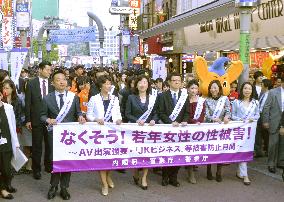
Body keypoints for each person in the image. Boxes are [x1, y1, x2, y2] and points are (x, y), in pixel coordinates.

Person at [40, 70, 85, 200]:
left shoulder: (74, 97)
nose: (62, 81)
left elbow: (78, 113)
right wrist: (48, 120)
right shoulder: (47, 98)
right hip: (54, 134)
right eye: (58, 79)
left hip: (69, 136)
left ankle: (64, 187)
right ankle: (53, 186)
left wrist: (81, 117)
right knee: (55, 160)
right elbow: (41, 115)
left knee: (67, 161)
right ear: (53, 83)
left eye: (64, 79)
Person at [86, 75, 122, 196]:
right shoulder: (94, 98)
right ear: (100, 85)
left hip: (112, 132)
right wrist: (96, 119)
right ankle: (104, 184)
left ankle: (108, 177)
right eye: (106, 83)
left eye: (109, 83)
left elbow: (118, 113)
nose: (108, 86)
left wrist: (118, 120)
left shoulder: (115, 99)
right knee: (102, 158)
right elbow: (88, 115)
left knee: (111, 157)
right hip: (99, 133)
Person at [125, 75, 158, 190]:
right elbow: (127, 113)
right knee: (136, 153)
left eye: (145, 82)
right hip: (135, 131)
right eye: (140, 82)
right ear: (136, 84)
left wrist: (154, 119)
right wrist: (136, 120)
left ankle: (144, 177)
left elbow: (156, 112)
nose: (142, 84)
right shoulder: (131, 97)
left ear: (148, 84)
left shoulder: (153, 98)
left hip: (149, 130)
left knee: (146, 153)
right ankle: (135, 172)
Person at [158, 72, 189, 187]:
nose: (177, 82)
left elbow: (187, 112)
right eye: (174, 80)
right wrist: (170, 122)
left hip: (181, 130)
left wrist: (185, 120)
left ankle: (174, 177)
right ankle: (165, 176)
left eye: (179, 80)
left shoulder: (184, 96)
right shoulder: (162, 95)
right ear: (169, 82)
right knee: (167, 153)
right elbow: (160, 112)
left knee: (179, 154)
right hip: (168, 129)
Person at [25, 61, 54, 179]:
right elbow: (28, 103)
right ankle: (36, 170)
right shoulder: (31, 83)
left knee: (49, 144)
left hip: (50, 120)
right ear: (40, 70)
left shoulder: (53, 84)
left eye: (50, 70)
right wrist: (28, 120)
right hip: (36, 119)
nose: (49, 72)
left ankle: (48, 166)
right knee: (37, 146)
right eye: (47, 69)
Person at [232, 82, 260, 185]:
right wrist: (241, 120)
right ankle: (245, 175)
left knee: (246, 150)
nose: (247, 90)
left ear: (252, 91)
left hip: (251, 131)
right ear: (242, 90)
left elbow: (257, 115)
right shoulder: (236, 102)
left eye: (249, 89)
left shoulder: (255, 103)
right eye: (245, 88)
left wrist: (253, 119)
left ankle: (240, 172)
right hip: (240, 130)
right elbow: (233, 115)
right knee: (242, 150)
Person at [205, 80, 231, 182]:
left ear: (219, 88)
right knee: (210, 149)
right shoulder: (207, 100)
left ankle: (219, 172)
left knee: (220, 149)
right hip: (210, 128)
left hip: (221, 129)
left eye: (215, 87)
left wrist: (227, 116)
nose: (213, 89)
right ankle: (208, 170)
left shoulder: (225, 99)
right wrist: (213, 118)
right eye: (211, 87)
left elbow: (228, 111)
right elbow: (206, 114)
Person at [0, 84, 20, 200]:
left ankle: (7, 184)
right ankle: (3, 189)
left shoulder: (8, 108)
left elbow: (12, 125)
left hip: (7, 142)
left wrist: (16, 143)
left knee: (7, 168)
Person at [262, 77, 284, 174]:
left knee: (283, 144)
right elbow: (266, 107)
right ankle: (271, 163)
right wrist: (265, 121)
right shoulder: (273, 92)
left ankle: (281, 162)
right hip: (274, 121)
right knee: (273, 144)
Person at [186, 79, 206, 184]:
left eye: (196, 88)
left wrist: (199, 121)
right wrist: (193, 121)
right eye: (192, 88)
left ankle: (192, 166)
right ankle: (190, 172)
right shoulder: (184, 100)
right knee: (189, 149)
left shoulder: (201, 101)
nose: (194, 90)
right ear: (188, 89)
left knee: (195, 149)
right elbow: (185, 114)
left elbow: (203, 113)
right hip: (188, 127)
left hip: (198, 128)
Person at [255, 79, 272, 157]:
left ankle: (268, 151)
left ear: (266, 86)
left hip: (266, 116)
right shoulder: (262, 94)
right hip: (259, 115)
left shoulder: (271, 94)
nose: (261, 86)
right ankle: (258, 151)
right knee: (257, 133)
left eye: (262, 84)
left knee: (267, 134)